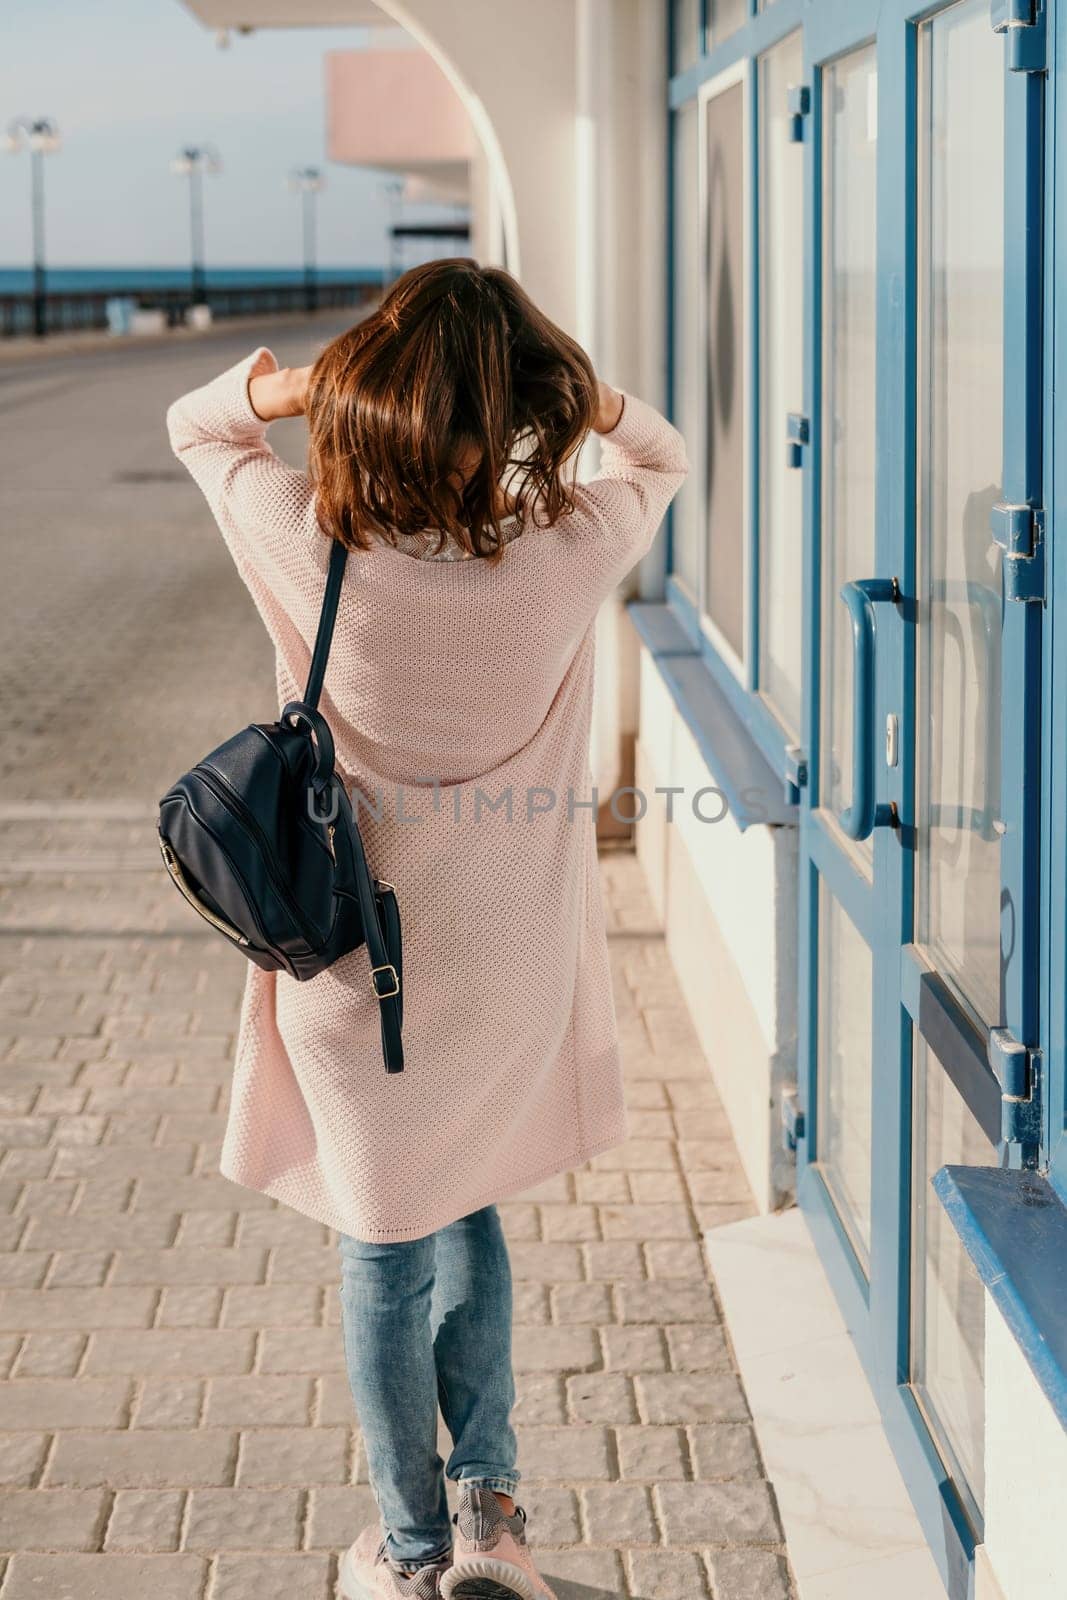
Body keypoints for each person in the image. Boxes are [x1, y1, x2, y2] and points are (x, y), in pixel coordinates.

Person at [166, 258, 688, 1600]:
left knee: (384, 1244)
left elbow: (199, 424)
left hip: (357, 974)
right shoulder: (565, 552)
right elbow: (661, 452)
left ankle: (405, 1554)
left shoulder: (304, 536)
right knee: (473, 1214)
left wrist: (303, 381)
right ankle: (494, 1524)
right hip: (505, 972)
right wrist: (575, 394)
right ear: (510, 406)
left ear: (374, 393)